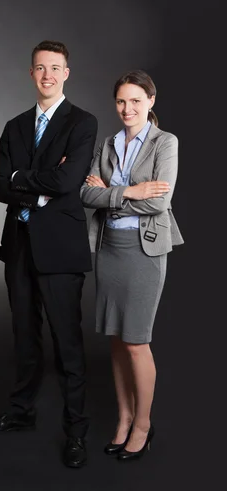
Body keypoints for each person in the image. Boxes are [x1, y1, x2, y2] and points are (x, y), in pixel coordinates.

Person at [0, 40, 97, 468]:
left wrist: (20, 178)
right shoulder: (14, 125)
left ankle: (76, 430)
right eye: (40, 68)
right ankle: (20, 413)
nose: (47, 75)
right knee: (24, 338)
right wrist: (36, 183)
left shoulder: (83, 122)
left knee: (68, 343)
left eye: (55, 68)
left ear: (66, 72)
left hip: (61, 251)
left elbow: (68, 180)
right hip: (20, 247)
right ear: (31, 74)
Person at [81, 70, 183, 461]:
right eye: (122, 101)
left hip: (145, 250)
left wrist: (111, 193)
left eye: (136, 101)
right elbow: (86, 194)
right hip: (109, 247)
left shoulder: (164, 143)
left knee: (137, 342)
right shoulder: (108, 144)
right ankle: (123, 420)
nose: (128, 108)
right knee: (116, 340)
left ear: (151, 101)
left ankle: (143, 425)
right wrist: (129, 191)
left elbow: (159, 202)